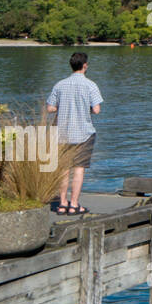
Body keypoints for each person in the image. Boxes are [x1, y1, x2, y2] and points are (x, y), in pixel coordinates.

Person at [46, 51, 103, 215]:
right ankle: (74, 204)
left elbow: (50, 108)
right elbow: (97, 110)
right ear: (85, 66)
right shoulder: (91, 85)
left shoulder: (60, 84)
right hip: (83, 133)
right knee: (79, 169)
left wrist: (62, 107)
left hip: (62, 133)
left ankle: (62, 203)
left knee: (64, 169)